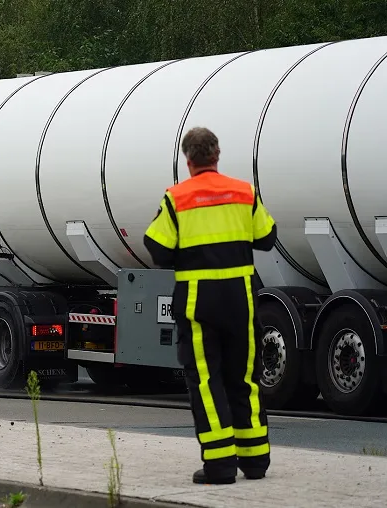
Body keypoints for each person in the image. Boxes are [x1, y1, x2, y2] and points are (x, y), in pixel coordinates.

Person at [143, 127, 277, 485]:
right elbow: (267, 238)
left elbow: (156, 248)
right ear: (217, 155)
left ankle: (219, 465)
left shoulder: (177, 197)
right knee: (245, 378)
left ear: (188, 160)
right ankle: (255, 461)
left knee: (205, 379)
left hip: (199, 299)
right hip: (241, 297)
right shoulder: (243, 192)